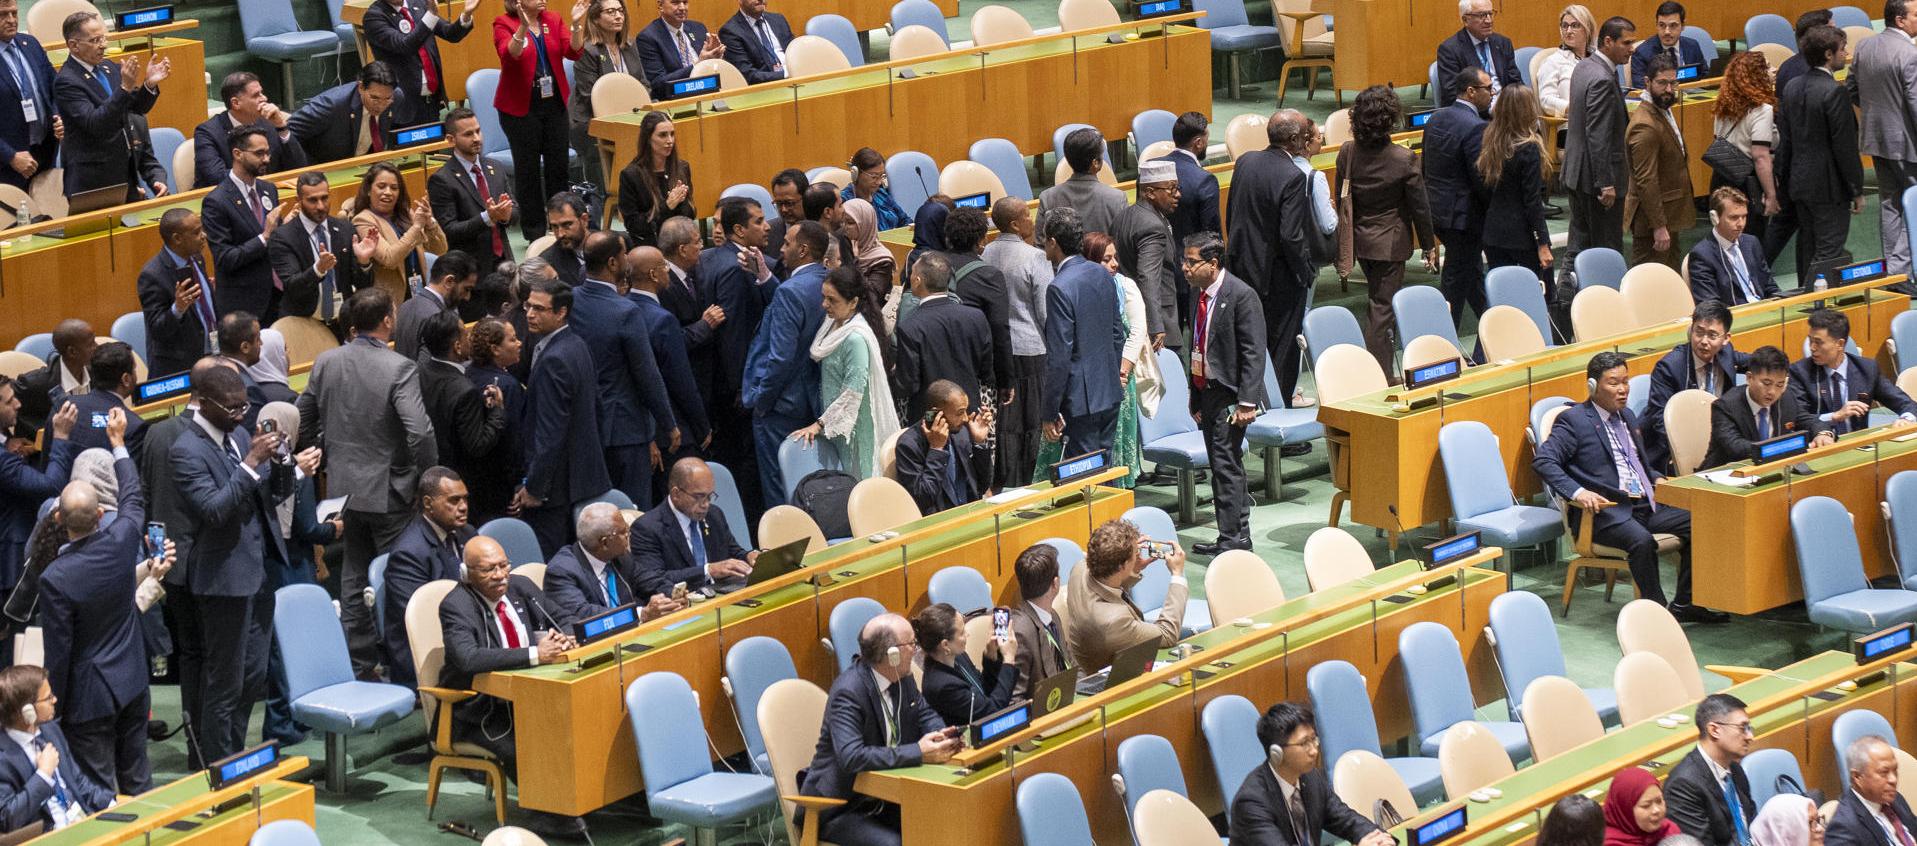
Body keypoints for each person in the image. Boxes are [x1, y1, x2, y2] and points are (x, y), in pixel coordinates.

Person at [296, 287, 439, 678]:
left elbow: (302, 414)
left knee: (354, 577)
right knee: (399, 578)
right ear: (389, 320)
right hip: (392, 490)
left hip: (343, 488)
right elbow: (420, 433)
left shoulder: (325, 361)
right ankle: (405, 668)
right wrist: (424, 482)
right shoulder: (399, 367)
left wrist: (319, 452)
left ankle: (361, 665)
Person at [1533, 352, 1719, 622]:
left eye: (1626, 381)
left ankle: (1686, 603)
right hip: (1605, 514)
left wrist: (1656, 477)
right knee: (1641, 542)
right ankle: (1657, 614)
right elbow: (1544, 461)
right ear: (1593, 387)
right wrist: (1578, 492)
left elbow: (1636, 464)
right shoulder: (1574, 421)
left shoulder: (1628, 416)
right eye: (1613, 383)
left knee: (1701, 522)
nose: (1622, 390)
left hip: (1644, 504)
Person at [170, 365, 296, 764]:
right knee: (224, 683)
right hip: (222, 579)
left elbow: (271, 497)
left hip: (258, 573)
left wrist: (280, 462)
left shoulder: (240, 436)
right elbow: (214, 510)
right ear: (204, 404)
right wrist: (251, 463)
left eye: (244, 405)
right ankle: (217, 769)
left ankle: (235, 756)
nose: (241, 415)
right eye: (232, 408)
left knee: (252, 679)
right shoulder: (185, 450)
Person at [37, 410, 157, 795]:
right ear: (102, 514)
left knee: (100, 794)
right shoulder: (122, 540)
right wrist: (118, 443)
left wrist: (54, 702)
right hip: (133, 680)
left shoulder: (54, 578)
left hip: (90, 700)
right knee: (139, 781)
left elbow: (60, 651)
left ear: (58, 519)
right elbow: (134, 496)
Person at [437, 535, 586, 838]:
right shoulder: (456, 605)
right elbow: (467, 658)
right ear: (467, 574)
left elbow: (563, 618)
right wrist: (535, 654)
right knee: (527, 741)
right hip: (478, 709)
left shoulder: (521, 587)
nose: (500, 575)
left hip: (532, 694)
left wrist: (565, 636)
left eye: (504, 565)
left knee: (577, 721)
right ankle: (544, 813)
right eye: (488, 570)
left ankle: (578, 799)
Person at [799, 613, 959, 846]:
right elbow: (851, 757)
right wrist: (918, 751)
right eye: (911, 644)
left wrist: (942, 735)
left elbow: (925, 714)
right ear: (891, 654)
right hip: (841, 807)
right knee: (895, 843)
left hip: (887, 795)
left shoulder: (902, 677)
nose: (916, 650)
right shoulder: (849, 692)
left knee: (940, 820)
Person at [570, 230, 678, 504]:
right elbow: (647, 374)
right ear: (612, 263)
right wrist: (668, 424)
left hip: (586, 427)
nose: (628, 260)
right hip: (626, 429)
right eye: (623, 255)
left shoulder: (571, 300)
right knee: (632, 512)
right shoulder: (625, 311)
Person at [252, 402, 332, 748]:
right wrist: (333, 529)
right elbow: (304, 526)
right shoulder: (289, 468)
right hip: (289, 564)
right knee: (287, 646)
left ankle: (288, 717)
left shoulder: (253, 461)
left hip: (266, 564)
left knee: (279, 646)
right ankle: (283, 722)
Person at [1342, 84, 1439, 368]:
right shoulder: (1404, 158)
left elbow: (1344, 201)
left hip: (1361, 242)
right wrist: (1429, 245)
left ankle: (1378, 368)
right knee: (1382, 311)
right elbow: (1419, 207)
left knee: (1378, 305)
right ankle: (1379, 374)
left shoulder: (1347, 152)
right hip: (1391, 245)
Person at [1185, 232, 1267, 554]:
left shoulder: (1241, 296)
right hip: (1207, 393)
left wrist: (1247, 402)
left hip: (1231, 396)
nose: (1185, 268)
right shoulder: (1200, 294)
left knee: (1226, 466)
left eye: (1192, 262)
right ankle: (1230, 536)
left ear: (1213, 263)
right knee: (1221, 466)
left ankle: (1236, 540)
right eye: (1185, 261)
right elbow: (1198, 347)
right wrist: (1195, 395)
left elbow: (1253, 352)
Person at [1228, 113, 1317, 408]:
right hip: (1279, 278)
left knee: (1251, 346)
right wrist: (1304, 272)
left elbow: (1234, 216)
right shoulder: (1292, 176)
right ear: (1292, 140)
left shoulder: (1245, 161)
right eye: (1304, 138)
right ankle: (1279, 416)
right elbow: (1291, 236)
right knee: (1282, 350)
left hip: (1242, 269)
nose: (1306, 142)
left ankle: (1251, 407)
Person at [517, 277, 612, 553]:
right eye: (528, 306)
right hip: (584, 478)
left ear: (561, 313)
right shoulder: (577, 344)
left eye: (539, 309)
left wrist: (535, 488)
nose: (530, 314)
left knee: (557, 563)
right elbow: (598, 409)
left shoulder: (554, 360)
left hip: (557, 490)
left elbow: (549, 433)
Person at [742, 220, 828, 506]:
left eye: (787, 243)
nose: (780, 247)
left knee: (781, 492)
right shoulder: (826, 281)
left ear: (802, 250)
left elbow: (780, 357)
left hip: (781, 407)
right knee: (811, 489)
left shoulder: (789, 292)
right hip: (814, 403)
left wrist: (762, 402)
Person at [1230, 700, 1393, 846]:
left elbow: (1345, 818)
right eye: (1304, 743)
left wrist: (1377, 838)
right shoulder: (1251, 803)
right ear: (1276, 753)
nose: (1314, 750)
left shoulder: (1310, 778)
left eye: (1314, 739)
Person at [791, 266, 899, 479]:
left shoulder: (855, 339)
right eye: (824, 298)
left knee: (857, 485)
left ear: (853, 303)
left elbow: (853, 392)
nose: (824, 305)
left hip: (856, 432)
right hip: (836, 425)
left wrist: (819, 424)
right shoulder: (832, 325)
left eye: (832, 300)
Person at [1776, 25, 1863, 284]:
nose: (1845, 53)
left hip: (1800, 182)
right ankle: (1820, 307)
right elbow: (1844, 147)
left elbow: (1786, 140)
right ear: (1828, 54)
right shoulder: (1834, 91)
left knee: (1808, 245)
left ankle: (1806, 297)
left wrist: (1784, 180)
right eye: (1842, 49)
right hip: (1829, 187)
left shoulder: (1792, 87)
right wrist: (1856, 188)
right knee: (1828, 250)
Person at [1039, 208, 1127, 459]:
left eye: (1044, 238)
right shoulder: (1101, 273)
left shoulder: (1059, 287)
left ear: (1053, 242)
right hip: (1109, 391)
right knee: (1105, 467)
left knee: (1086, 476)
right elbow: (1116, 334)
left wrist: (1049, 411)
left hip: (1080, 402)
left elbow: (1060, 357)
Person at [53, 11, 167, 201]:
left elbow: (135, 108)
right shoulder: (67, 81)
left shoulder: (108, 68)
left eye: (104, 38)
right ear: (74, 45)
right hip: (93, 182)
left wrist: (149, 84)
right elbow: (96, 124)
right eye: (95, 40)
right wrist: (124, 88)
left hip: (124, 172)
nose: (103, 45)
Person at [377, 466, 473, 687]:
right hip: (425, 652)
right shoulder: (408, 553)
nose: (463, 507)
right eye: (454, 500)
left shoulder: (466, 533)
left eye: (465, 499)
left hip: (461, 636)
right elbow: (425, 619)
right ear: (428, 504)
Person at [495, 0, 582, 242]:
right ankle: (534, 232)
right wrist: (522, 27)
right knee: (528, 170)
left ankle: (562, 224)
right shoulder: (504, 23)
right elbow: (510, 55)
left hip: (553, 103)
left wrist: (576, 25)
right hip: (520, 108)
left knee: (559, 167)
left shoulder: (552, 20)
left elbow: (573, 52)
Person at [983, 198, 1053, 486]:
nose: (1032, 219)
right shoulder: (1035, 257)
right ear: (1014, 223)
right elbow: (1046, 310)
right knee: (1031, 420)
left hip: (998, 349)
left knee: (1005, 420)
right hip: (1031, 347)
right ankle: (1030, 479)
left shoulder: (985, 252)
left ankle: (1004, 478)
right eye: (1027, 215)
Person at [0, 665, 116, 834]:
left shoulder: (50, 731)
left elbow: (79, 782)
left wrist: (113, 805)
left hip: (81, 824)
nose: (54, 700)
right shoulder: (4, 757)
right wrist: (43, 775)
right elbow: (7, 819)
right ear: (27, 711)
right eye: (47, 698)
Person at [1563, 17, 1635, 288]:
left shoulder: (1585, 66)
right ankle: (1607, 305)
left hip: (1577, 173)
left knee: (1578, 247)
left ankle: (1563, 306)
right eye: (1626, 42)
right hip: (1597, 180)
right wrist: (1605, 183)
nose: (1632, 49)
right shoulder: (1603, 78)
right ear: (1608, 41)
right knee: (1606, 250)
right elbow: (1598, 135)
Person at [625, 244, 711, 466]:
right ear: (654, 274)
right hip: (673, 430)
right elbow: (681, 381)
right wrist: (702, 426)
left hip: (639, 427)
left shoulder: (621, 309)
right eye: (664, 265)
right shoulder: (662, 320)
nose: (668, 270)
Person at [1064, 519, 1186, 673]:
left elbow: (1110, 586)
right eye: (1135, 554)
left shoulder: (1080, 568)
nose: (1138, 555)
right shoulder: (1115, 620)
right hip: (1109, 681)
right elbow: (1167, 634)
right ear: (1121, 566)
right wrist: (1177, 574)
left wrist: (1132, 569)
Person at [1851, 4, 1917, 279]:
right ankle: (1903, 270)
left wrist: (1879, 117)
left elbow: (1852, 90)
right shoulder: (1910, 54)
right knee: (1911, 205)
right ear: (1900, 20)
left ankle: (1895, 271)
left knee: (1890, 204)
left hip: (1876, 140)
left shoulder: (1864, 46)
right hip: (1907, 144)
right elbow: (1915, 104)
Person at [1644, 300, 1748, 473]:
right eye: (1699, 332)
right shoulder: (1670, 368)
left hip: (1720, 443)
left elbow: (1756, 362)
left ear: (1726, 339)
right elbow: (1659, 420)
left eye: (1712, 335)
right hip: (1676, 452)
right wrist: (1691, 446)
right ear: (1690, 330)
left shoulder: (1726, 354)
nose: (1704, 341)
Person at [1424, 67, 1492, 332]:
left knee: (1471, 274)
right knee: (1455, 279)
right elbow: (1480, 178)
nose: (1492, 93)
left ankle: (1493, 323)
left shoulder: (1436, 119)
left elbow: (1427, 166)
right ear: (1471, 92)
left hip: (1439, 212)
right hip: (1464, 217)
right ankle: (1445, 337)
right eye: (1488, 88)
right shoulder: (1476, 127)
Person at [1478, 83, 1555, 312]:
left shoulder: (1490, 142)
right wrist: (1542, 242)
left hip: (1493, 233)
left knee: (1502, 300)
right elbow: (1532, 201)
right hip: (1522, 237)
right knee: (1532, 299)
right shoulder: (1528, 148)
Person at [1083, 231, 1152, 488]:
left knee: (1116, 438)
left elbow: (1136, 332)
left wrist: (1122, 372)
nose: (1113, 264)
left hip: (1120, 374)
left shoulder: (1125, 286)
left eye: (1115, 258)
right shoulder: (1082, 286)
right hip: (1094, 375)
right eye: (1106, 259)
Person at [628, 457, 754, 595]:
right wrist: (707, 570)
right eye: (699, 496)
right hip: (682, 606)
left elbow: (732, 551)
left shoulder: (714, 515)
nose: (705, 504)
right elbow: (653, 580)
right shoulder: (646, 528)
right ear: (676, 494)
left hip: (721, 597)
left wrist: (749, 556)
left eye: (709, 496)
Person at [0, 379, 73, 611]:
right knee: (20, 637)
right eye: (10, 401)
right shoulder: (2, 461)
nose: (19, 404)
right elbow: (50, 486)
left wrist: (6, 441)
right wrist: (61, 436)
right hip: (11, 561)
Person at [270, 172, 375, 331]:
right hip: (303, 325)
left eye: (324, 198)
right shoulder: (283, 237)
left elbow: (363, 286)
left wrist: (364, 262)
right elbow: (293, 286)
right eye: (312, 200)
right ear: (298, 201)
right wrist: (318, 270)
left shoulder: (344, 229)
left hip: (342, 324)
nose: (320, 206)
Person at [893, 253, 992, 422]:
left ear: (917, 281)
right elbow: (986, 370)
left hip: (931, 419)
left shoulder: (910, 327)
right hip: (968, 412)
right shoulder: (976, 317)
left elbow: (908, 384)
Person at [202, 127, 286, 324]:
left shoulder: (268, 190)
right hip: (243, 307)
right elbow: (225, 258)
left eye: (267, 152)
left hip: (277, 297)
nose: (266, 159)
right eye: (259, 153)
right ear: (237, 154)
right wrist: (264, 237)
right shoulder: (216, 202)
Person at [1702, 344, 1830, 472]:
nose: (1772, 392)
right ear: (1749, 378)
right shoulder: (1725, 406)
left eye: (1779, 384)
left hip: (1769, 472)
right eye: (1766, 383)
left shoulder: (1786, 398)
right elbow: (1736, 447)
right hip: (1723, 476)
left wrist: (1823, 434)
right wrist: (1783, 447)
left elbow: (1809, 421)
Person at [1790, 308, 1917, 435]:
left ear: (1840, 344)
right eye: (1811, 341)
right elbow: (1799, 419)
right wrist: (1834, 416)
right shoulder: (1800, 372)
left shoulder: (1866, 369)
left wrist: (1905, 419)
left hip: (1859, 446)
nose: (1812, 348)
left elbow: (1905, 403)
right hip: (1820, 446)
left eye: (1818, 342)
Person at [417, 311, 506, 486]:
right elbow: (477, 445)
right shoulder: (465, 391)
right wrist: (497, 411)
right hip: (460, 478)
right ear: (457, 347)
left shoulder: (419, 371)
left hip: (430, 469)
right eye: (466, 334)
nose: (470, 338)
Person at [1152, 111, 1223, 326]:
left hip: (1157, 268)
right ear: (1198, 142)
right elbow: (1211, 234)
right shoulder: (1204, 180)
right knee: (1197, 336)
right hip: (1193, 271)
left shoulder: (1152, 170)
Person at [1625, 55, 1694, 269]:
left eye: (1674, 82)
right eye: (1662, 83)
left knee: (1670, 277)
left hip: (1668, 215)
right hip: (1653, 222)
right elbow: (1646, 180)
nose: (1669, 89)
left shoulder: (1663, 110)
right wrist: (1659, 225)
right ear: (1647, 82)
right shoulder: (1645, 125)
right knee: (1648, 281)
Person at [569, 0, 646, 192]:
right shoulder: (587, 50)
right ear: (595, 18)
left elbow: (643, 84)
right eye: (611, 12)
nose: (618, 16)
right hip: (593, 119)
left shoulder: (629, 45)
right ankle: (614, 194)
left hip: (630, 114)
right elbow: (591, 95)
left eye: (620, 11)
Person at [362, 0, 478, 126]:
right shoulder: (374, 17)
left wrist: (466, 15)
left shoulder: (418, 4)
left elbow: (449, 33)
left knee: (434, 142)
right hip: (403, 104)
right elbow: (405, 45)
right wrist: (431, 15)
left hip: (431, 99)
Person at [547, 502, 670, 618]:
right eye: (623, 532)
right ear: (605, 543)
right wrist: (640, 614)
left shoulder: (621, 557)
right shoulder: (562, 570)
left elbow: (652, 582)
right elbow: (582, 613)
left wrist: (674, 595)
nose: (629, 534)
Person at [1663, 694, 1756, 846]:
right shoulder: (1683, 785)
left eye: (1749, 728)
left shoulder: (1735, 770)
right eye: (1742, 728)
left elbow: (1752, 821)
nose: (1750, 736)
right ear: (1714, 730)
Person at [940, 207, 1014, 398]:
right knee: (978, 427)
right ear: (982, 240)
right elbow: (1000, 329)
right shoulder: (990, 276)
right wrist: (1005, 380)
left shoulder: (927, 265)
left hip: (933, 363)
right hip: (973, 373)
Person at [430, 107, 517, 266]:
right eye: (468, 134)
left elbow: (515, 211)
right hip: (469, 268)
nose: (476, 138)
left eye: (478, 131)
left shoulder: (495, 167)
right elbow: (450, 230)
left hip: (505, 261)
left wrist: (506, 216)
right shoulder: (441, 180)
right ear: (451, 139)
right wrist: (487, 218)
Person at [353, 161, 450, 303]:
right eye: (381, 186)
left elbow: (440, 249)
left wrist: (430, 223)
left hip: (419, 293)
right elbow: (389, 258)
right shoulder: (363, 220)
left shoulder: (407, 214)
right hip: (390, 303)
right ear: (368, 190)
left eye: (394, 188)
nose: (388, 192)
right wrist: (416, 227)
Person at [138, 210, 220, 377]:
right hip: (180, 366)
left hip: (212, 353)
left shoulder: (197, 258)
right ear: (177, 239)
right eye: (196, 232)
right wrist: (178, 308)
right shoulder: (152, 275)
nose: (204, 235)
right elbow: (157, 330)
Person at [1710, 52, 1780, 247]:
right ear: (1756, 75)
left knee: (1726, 242)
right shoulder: (1762, 110)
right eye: (1767, 67)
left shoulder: (1723, 103)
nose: (1773, 70)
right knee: (1750, 243)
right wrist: (1771, 195)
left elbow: (1717, 139)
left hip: (1721, 179)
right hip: (1748, 188)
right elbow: (1760, 156)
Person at [191, 72, 306, 189]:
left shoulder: (269, 123)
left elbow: (299, 167)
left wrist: (281, 127)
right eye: (256, 95)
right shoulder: (208, 132)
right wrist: (267, 183)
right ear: (236, 103)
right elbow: (216, 177)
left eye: (262, 93)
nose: (264, 98)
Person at [895, 379, 994, 514]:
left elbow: (981, 486)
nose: (965, 419)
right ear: (937, 414)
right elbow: (922, 499)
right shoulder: (908, 445)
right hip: (938, 524)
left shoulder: (961, 433)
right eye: (960, 413)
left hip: (969, 514)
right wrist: (936, 450)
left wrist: (979, 442)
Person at [1113, 160, 1181, 353]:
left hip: (1130, 313)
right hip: (1158, 320)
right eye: (1171, 189)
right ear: (1150, 192)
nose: (1178, 194)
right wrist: (1156, 325)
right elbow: (1148, 276)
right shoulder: (1153, 226)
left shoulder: (1124, 216)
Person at [913, 603, 1017, 729]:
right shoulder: (942, 685)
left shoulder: (957, 657)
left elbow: (983, 692)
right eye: (962, 633)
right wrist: (1009, 660)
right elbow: (993, 712)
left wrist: (991, 657)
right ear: (945, 645)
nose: (967, 634)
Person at [464, 318, 527, 523]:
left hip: (473, 479)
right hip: (501, 484)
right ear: (495, 349)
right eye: (513, 339)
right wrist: (519, 484)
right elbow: (514, 441)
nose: (519, 344)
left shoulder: (466, 373)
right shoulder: (508, 386)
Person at [285, 61, 399, 165]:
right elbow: (288, 133)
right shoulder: (331, 105)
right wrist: (308, 169)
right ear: (361, 87)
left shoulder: (396, 98)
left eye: (387, 98)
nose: (381, 105)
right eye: (375, 98)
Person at [0, 0, 61, 192]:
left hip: (45, 151)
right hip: (7, 166)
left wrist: (59, 116)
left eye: (14, 14)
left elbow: (56, 87)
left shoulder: (30, 44)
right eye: (3, 15)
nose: (11, 20)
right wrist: (10, 156)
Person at [1689, 188, 1779, 307]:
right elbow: (1710, 304)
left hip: (1763, 309)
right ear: (1715, 218)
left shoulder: (1751, 243)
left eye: (1744, 216)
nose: (1741, 224)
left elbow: (1769, 286)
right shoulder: (1702, 255)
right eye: (1733, 217)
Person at [618, 111, 695, 246]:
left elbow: (690, 215)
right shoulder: (631, 175)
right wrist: (667, 207)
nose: (670, 141)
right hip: (651, 244)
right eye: (662, 135)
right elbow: (633, 225)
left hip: (681, 241)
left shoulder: (682, 168)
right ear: (648, 139)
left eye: (672, 134)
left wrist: (681, 203)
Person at [1825, 736, 1917, 846]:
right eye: (1884, 772)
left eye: (1895, 770)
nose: (1893, 779)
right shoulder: (1843, 828)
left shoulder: (1895, 799)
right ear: (1857, 777)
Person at [1004, 543, 1069, 697]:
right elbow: (1015, 699)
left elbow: (1070, 664)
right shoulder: (1020, 632)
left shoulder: (1052, 616)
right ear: (1055, 583)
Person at [56, 344, 144, 457]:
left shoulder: (64, 409)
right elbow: (130, 473)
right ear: (126, 379)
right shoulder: (134, 426)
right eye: (134, 370)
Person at [1038, 127, 1126, 236]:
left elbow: (1041, 246)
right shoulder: (1117, 199)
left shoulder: (1047, 198)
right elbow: (1125, 244)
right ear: (1096, 163)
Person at [1435, 0, 1521, 107]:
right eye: (1482, 15)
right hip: (1476, 114)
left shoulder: (1502, 43)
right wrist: (1492, 110)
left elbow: (1515, 81)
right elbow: (1453, 95)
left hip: (1506, 109)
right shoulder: (1449, 50)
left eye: (1490, 14)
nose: (1489, 20)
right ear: (1465, 20)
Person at [397, 247, 477, 357]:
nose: (467, 297)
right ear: (449, 281)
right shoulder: (439, 319)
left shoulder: (406, 306)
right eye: (466, 289)